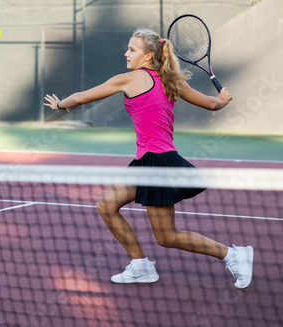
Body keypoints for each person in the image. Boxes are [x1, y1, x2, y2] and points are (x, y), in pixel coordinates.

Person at [44, 28, 254, 289]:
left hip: (158, 162)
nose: (126, 53)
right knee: (106, 206)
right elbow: (212, 104)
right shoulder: (171, 80)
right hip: (148, 160)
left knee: (166, 236)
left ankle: (234, 255)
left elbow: (81, 98)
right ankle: (141, 265)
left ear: (148, 56)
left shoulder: (129, 80)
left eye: (132, 49)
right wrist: (223, 101)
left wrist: (60, 104)